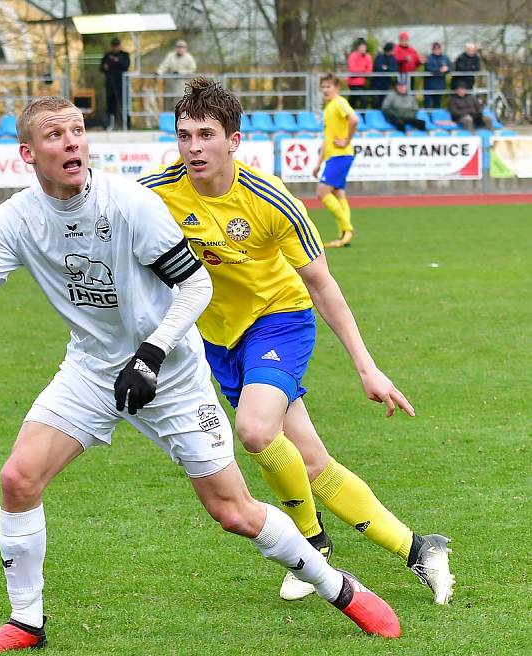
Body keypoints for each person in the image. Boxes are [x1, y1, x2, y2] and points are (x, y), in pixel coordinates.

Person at [0, 95, 402, 653]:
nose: (71, 142)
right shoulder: (17, 217)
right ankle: (25, 623)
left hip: (173, 373)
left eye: (77, 131)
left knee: (233, 512)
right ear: (28, 153)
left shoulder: (129, 203)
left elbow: (195, 286)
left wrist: (154, 353)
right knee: (18, 479)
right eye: (55, 135)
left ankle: (339, 588)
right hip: (90, 369)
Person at [139, 77, 454, 607]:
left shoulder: (269, 198)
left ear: (233, 140)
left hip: (280, 320)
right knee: (309, 462)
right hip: (220, 338)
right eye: (184, 135)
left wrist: (366, 367)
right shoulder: (155, 192)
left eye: (206, 135)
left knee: (256, 431)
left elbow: (322, 284)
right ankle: (421, 548)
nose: (194, 147)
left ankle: (312, 544)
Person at [311, 73, 358, 248]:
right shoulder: (329, 107)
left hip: (341, 155)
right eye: (323, 87)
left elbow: (354, 119)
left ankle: (348, 228)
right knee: (338, 194)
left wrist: (346, 140)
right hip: (335, 156)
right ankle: (343, 234)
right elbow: (327, 139)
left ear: (337, 88)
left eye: (329, 86)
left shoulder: (339, 102)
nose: (325, 90)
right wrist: (318, 163)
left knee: (322, 193)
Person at [157, 39, 197, 108]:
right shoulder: (171, 56)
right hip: (170, 85)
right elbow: (164, 66)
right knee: (168, 104)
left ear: (185, 49)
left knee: (180, 104)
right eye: (179, 47)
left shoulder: (189, 58)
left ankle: (180, 117)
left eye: (182, 47)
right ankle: (169, 118)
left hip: (182, 85)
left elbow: (192, 70)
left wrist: (180, 72)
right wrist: (158, 72)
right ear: (176, 48)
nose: (180, 49)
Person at [99, 37, 130, 129]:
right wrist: (107, 66)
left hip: (122, 84)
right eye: (114, 46)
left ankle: (127, 124)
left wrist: (117, 61)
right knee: (110, 104)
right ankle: (110, 124)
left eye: (117, 46)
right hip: (110, 83)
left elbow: (126, 65)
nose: (115, 48)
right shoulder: (107, 55)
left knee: (124, 103)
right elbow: (102, 68)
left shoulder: (124, 55)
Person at [423, 42, 451, 109]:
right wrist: (439, 70)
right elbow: (429, 68)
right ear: (432, 50)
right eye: (435, 49)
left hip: (439, 86)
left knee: (437, 105)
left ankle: (436, 118)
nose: (437, 50)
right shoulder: (429, 58)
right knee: (427, 105)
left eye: (438, 48)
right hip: (429, 86)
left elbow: (450, 67)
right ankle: (427, 119)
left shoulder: (445, 58)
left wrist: (447, 69)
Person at [346, 37, 373, 108]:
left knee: (352, 101)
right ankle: (363, 116)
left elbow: (369, 71)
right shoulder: (353, 55)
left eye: (364, 47)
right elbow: (352, 69)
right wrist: (363, 70)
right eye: (361, 47)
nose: (363, 49)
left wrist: (360, 72)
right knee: (363, 100)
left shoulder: (368, 57)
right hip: (353, 83)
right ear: (358, 47)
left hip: (363, 83)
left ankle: (348, 115)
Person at [371, 42, 398, 108]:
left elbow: (394, 69)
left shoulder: (392, 58)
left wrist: (386, 68)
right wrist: (387, 68)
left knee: (384, 103)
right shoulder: (379, 57)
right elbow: (378, 68)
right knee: (376, 102)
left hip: (386, 84)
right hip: (376, 84)